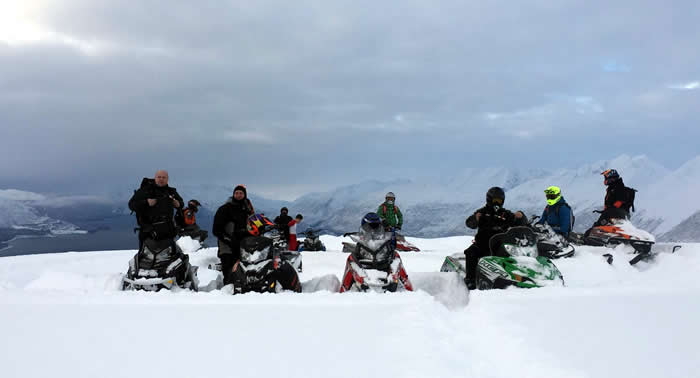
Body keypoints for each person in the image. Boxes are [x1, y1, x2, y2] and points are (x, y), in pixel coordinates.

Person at [463, 187, 525, 289]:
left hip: (500, 245)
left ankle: (520, 278)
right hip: (482, 244)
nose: (497, 203)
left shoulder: (505, 214)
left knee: (517, 255)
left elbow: (519, 222)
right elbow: (469, 223)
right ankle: (471, 280)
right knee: (471, 252)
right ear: (489, 199)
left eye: (499, 200)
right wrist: (475, 219)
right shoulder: (482, 212)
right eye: (495, 200)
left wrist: (521, 216)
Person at [128, 170, 183, 249]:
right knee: (146, 258)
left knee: (169, 257)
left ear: (167, 179)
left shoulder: (171, 191)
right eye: (159, 177)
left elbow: (181, 203)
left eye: (164, 177)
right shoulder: (145, 190)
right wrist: (146, 202)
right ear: (155, 178)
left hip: (168, 231)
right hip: (148, 232)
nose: (161, 179)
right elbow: (131, 205)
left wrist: (178, 204)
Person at [212, 185, 255, 284]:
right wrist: (228, 239)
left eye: (241, 193)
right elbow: (216, 229)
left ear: (245, 195)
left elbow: (252, 225)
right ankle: (228, 289)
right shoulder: (225, 209)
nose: (238, 195)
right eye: (236, 193)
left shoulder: (246, 209)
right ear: (233, 194)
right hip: (227, 244)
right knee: (228, 269)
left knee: (242, 269)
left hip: (242, 244)